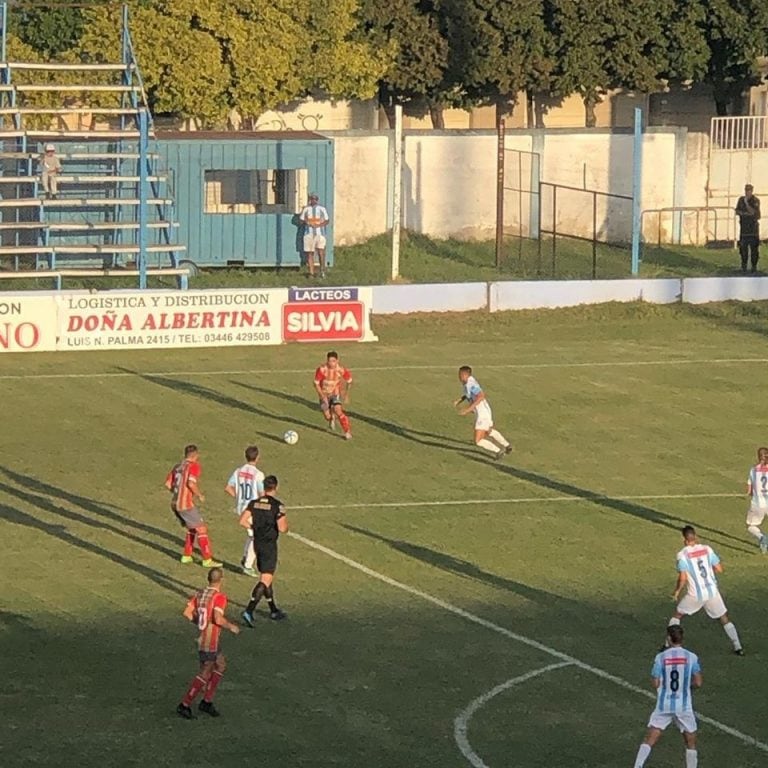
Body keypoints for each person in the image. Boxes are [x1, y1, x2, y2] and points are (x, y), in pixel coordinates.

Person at [632, 624, 702, 768]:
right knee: (690, 741)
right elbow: (698, 682)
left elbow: (656, 682)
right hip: (684, 706)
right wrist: (687, 687)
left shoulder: (661, 657)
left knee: (651, 737)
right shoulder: (691, 657)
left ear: (669, 638)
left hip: (664, 704)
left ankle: (638, 766)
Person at [666, 525, 743, 655]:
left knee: (677, 615)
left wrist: (677, 591)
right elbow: (719, 569)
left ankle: (668, 645)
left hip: (695, 594)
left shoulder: (682, 555)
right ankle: (738, 646)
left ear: (684, 539)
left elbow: (683, 578)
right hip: (712, 591)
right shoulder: (707, 549)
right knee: (723, 618)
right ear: (695, 536)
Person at [176, 567, 240, 719]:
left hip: (205, 638)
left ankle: (207, 701)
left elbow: (187, 612)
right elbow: (218, 619)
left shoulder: (200, 594)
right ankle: (185, 704)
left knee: (221, 664)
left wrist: (199, 623)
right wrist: (231, 626)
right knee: (206, 671)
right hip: (209, 640)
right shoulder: (219, 597)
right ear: (221, 580)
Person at [240, 475, 288, 625]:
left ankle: (273, 610)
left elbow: (242, 521)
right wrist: (286, 528)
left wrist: (254, 528)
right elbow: (282, 528)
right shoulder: (277, 505)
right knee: (266, 578)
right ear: (276, 487)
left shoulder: (254, 503)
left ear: (264, 487)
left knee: (266, 577)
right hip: (269, 545)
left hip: (257, 543)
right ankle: (249, 610)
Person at [165, 444, 222, 568]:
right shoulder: (193, 466)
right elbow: (191, 483)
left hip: (174, 503)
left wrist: (177, 492)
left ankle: (186, 556)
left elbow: (168, 484)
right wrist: (199, 495)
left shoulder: (177, 467)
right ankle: (207, 559)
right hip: (185, 504)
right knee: (201, 529)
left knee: (191, 528)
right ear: (195, 455)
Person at [454, 365, 511, 459]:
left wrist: (468, 410)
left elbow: (481, 396)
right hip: (484, 411)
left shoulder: (471, 384)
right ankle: (507, 446)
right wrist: (460, 400)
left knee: (478, 440)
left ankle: (498, 451)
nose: (459, 377)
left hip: (482, 413)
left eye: (460, 374)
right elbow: (469, 394)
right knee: (488, 431)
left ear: (465, 375)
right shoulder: (467, 382)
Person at [225, 445, 265, 576]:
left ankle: (245, 558)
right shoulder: (258, 475)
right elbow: (261, 494)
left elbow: (228, 488)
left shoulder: (238, 471)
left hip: (241, 507)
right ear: (257, 457)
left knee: (252, 534)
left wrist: (239, 497)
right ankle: (247, 565)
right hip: (252, 510)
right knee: (257, 535)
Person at [314, 350, 353, 439]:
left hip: (335, 393)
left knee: (339, 411)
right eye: (329, 361)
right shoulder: (322, 369)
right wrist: (322, 395)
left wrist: (346, 395)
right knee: (327, 416)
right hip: (323, 394)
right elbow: (316, 383)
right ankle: (332, 417)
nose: (331, 363)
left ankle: (347, 432)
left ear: (337, 361)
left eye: (333, 361)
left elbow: (349, 381)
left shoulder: (341, 370)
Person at [299, 193, 330, 278]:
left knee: (321, 252)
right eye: (312, 199)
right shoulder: (306, 209)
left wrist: (319, 225)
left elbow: (327, 220)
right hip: (308, 233)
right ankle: (311, 272)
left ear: (317, 200)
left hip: (320, 233)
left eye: (315, 199)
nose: (313, 201)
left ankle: (322, 270)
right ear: (309, 200)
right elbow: (301, 220)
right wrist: (307, 222)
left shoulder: (322, 209)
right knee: (310, 253)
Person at [746, 446, 768, 553]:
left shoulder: (753, 470)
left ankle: (761, 537)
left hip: (757, 504)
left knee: (751, 526)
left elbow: (749, 490)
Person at [735, 184, 761, 273]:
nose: (747, 192)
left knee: (754, 250)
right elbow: (737, 211)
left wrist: (746, 204)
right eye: (746, 190)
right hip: (744, 230)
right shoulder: (741, 200)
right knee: (743, 250)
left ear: (752, 191)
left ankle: (754, 267)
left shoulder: (755, 200)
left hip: (753, 230)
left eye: (749, 190)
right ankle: (744, 266)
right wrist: (743, 213)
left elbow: (754, 213)